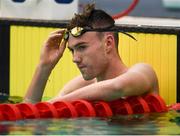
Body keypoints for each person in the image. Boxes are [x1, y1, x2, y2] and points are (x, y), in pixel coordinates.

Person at [23, 4, 159, 104]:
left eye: (82, 47)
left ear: (108, 43)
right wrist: (44, 67)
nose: (75, 59)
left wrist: (57, 102)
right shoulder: (80, 85)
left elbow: (117, 87)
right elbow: (29, 115)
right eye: (72, 50)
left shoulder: (143, 72)